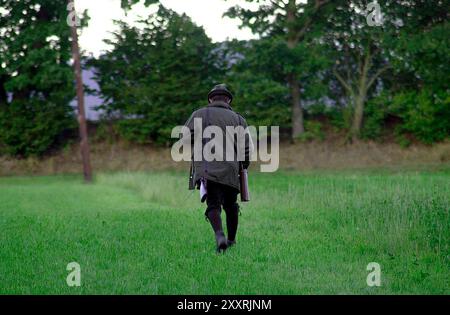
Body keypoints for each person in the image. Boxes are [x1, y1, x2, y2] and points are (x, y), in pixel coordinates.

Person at [185, 84, 252, 253]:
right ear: (228, 100)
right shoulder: (239, 119)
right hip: (231, 169)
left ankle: (219, 235)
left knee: (213, 204)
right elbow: (246, 148)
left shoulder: (199, 113)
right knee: (231, 205)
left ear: (210, 99)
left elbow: (184, 137)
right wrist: (243, 166)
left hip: (207, 168)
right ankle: (231, 240)